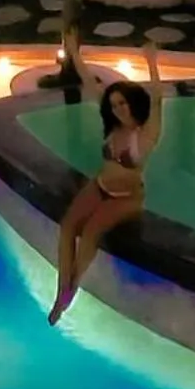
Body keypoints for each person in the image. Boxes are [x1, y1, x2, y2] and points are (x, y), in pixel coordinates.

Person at [49, 34, 163, 326]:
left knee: (90, 234)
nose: (118, 110)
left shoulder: (145, 135)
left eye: (123, 104)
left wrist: (151, 61)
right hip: (100, 186)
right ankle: (62, 287)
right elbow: (90, 85)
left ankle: (70, 291)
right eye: (114, 105)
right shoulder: (113, 126)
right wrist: (75, 53)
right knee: (67, 227)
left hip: (127, 198)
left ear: (134, 104)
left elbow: (158, 97)